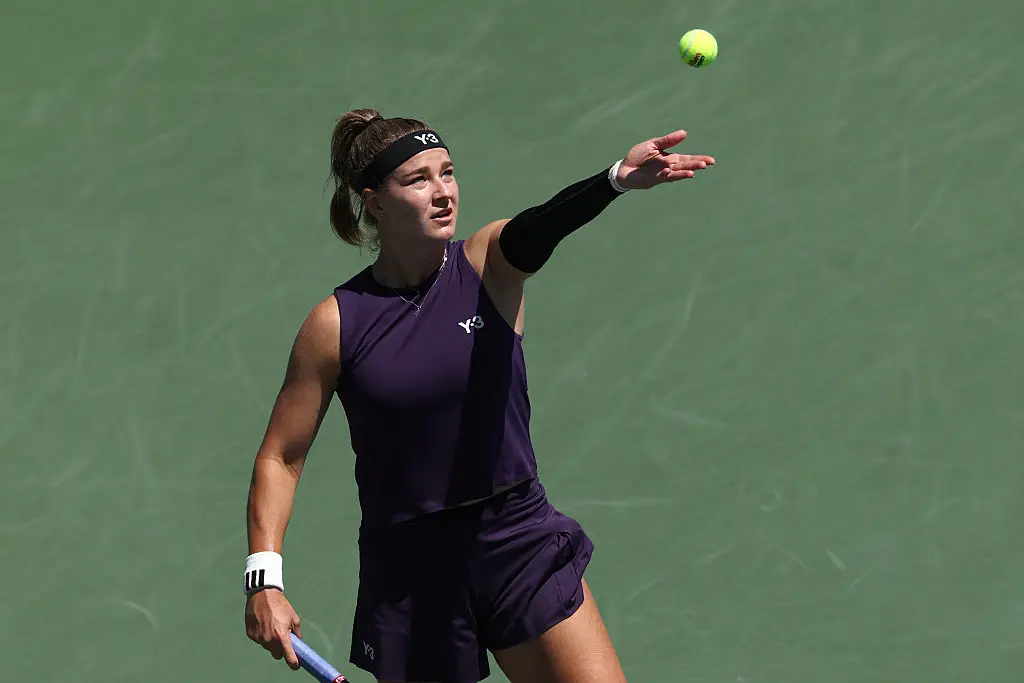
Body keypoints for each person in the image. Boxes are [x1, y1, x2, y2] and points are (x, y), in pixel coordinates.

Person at [243, 108, 715, 683]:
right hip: (413, 572)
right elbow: (280, 457)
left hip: (517, 541)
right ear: (375, 201)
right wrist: (264, 578)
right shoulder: (336, 324)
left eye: (448, 172)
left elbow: (541, 226)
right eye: (419, 180)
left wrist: (614, 179)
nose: (443, 193)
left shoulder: (487, 263)